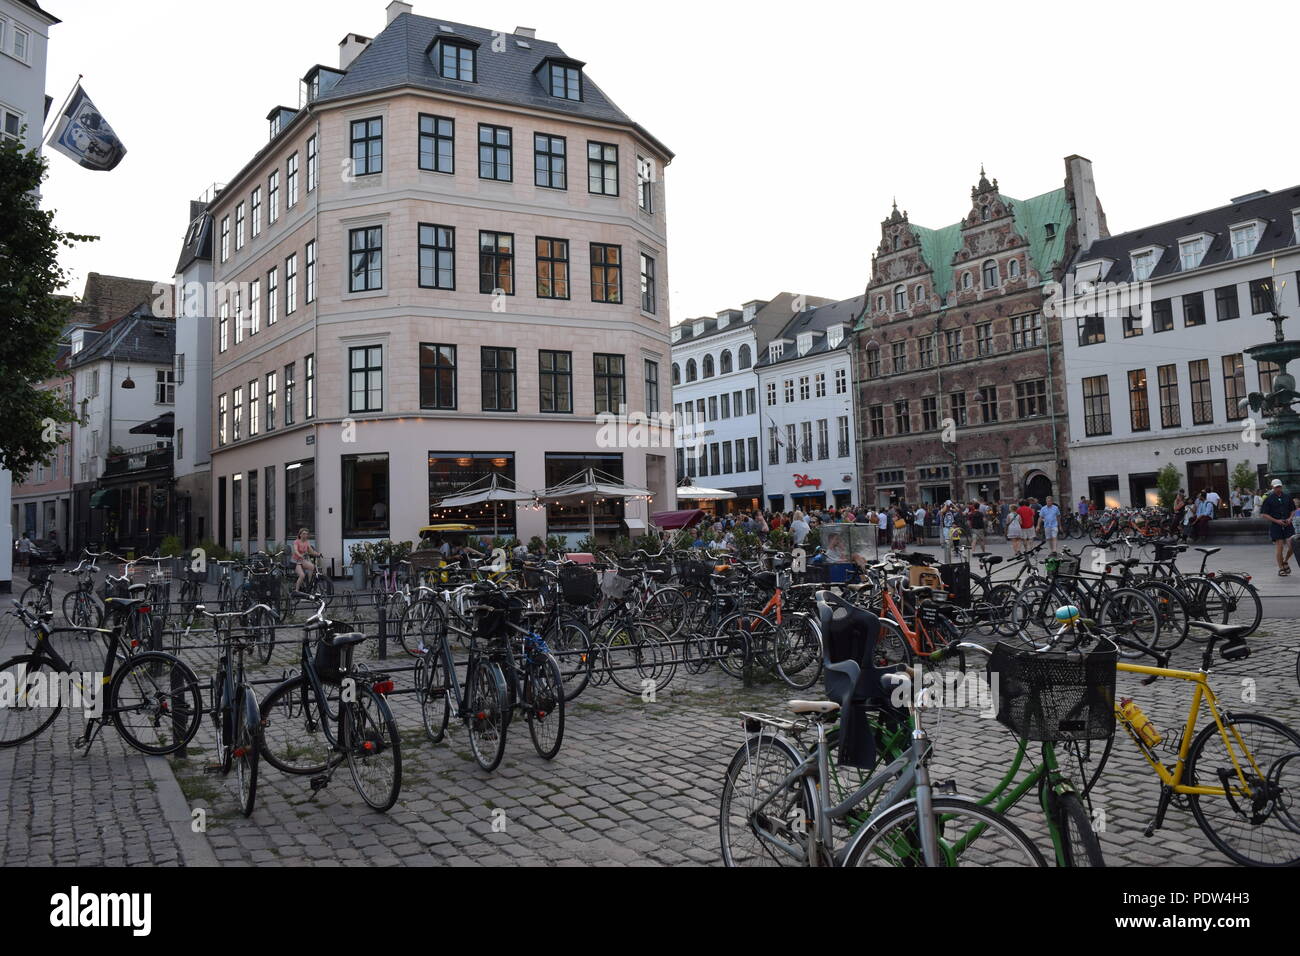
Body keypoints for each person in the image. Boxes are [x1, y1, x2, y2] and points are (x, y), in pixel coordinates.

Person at [1261, 479, 1293, 576]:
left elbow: (1292, 510)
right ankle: (1281, 568)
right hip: (1276, 525)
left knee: (1292, 546)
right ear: (1272, 487)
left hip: (1287, 524)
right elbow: (1264, 514)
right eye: (1276, 487)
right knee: (1280, 547)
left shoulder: (1287, 497)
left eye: (1279, 487)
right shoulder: (1268, 499)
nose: (1278, 489)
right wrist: (1276, 521)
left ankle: (1285, 561)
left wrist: (1290, 518)